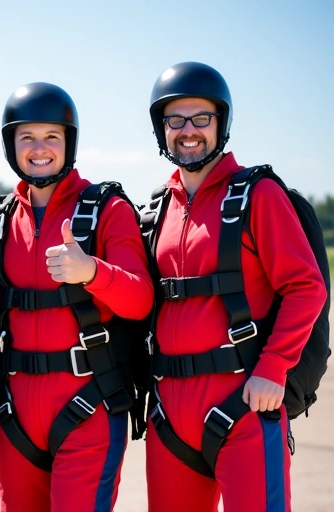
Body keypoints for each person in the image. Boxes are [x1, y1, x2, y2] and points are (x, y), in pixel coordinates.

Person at [143, 61, 327, 512]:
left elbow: (307, 287)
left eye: (201, 118)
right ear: (161, 129)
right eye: (175, 120)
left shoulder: (258, 195)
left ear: (220, 125)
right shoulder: (156, 210)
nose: (188, 131)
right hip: (168, 419)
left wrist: (274, 367)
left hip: (245, 404)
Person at [0, 82, 154, 511]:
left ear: (68, 143)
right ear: (11, 145)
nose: (40, 148)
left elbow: (140, 300)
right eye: (27, 137)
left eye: (51, 137)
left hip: (89, 412)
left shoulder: (107, 209)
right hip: (16, 420)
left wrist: (92, 272)